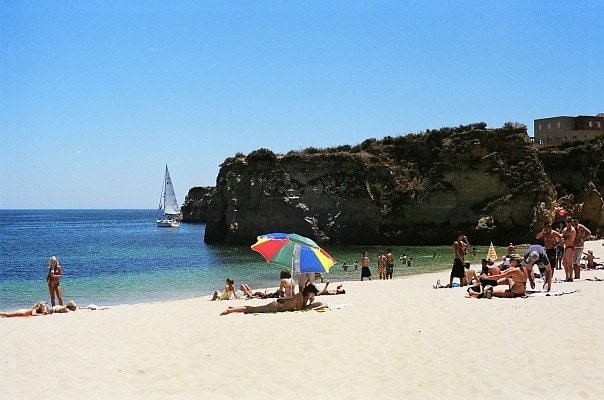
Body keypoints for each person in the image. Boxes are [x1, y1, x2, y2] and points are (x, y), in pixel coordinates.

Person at [220, 283, 320, 315]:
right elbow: (299, 309)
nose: (313, 295)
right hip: (275, 307)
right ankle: (230, 310)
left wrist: (309, 302)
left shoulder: (304, 297)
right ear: (309, 292)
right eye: (313, 294)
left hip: (278, 306)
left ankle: (233, 307)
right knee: (252, 309)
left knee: (253, 309)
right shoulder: (300, 296)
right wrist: (309, 304)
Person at [561, 217, 577, 281]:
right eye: (567, 221)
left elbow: (569, 239)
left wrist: (563, 239)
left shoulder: (572, 230)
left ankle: (571, 277)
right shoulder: (564, 229)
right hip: (566, 247)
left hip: (570, 247)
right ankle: (567, 276)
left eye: (570, 221)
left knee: (569, 262)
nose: (568, 223)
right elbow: (562, 236)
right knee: (564, 262)